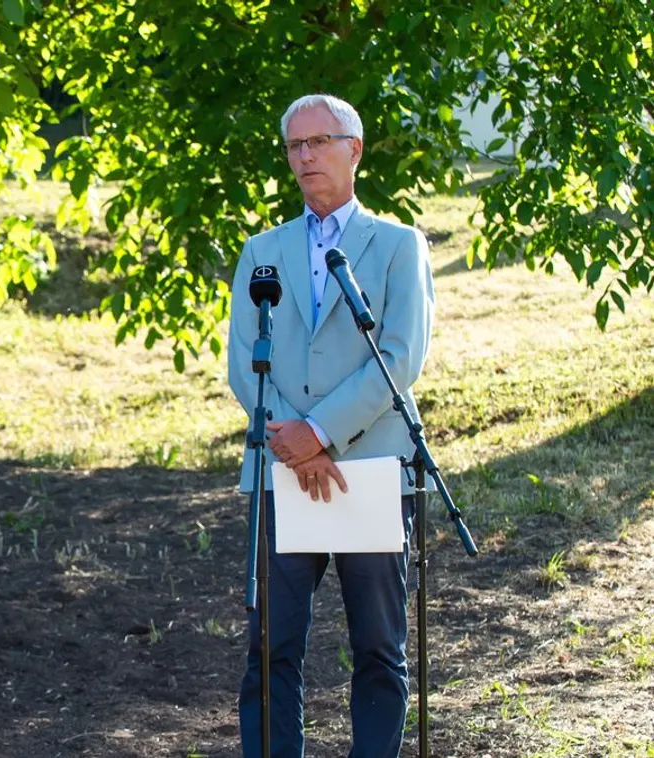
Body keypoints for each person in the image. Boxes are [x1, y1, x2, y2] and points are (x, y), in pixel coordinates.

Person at [226, 94, 435, 758]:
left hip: (369, 469)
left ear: (355, 149)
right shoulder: (261, 252)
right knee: (270, 648)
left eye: (320, 141)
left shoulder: (399, 246)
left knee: (377, 647)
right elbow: (241, 361)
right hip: (280, 470)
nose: (306, 156)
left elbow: (400, 356)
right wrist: (291, 440)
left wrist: (319, 431)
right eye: (294, 146)